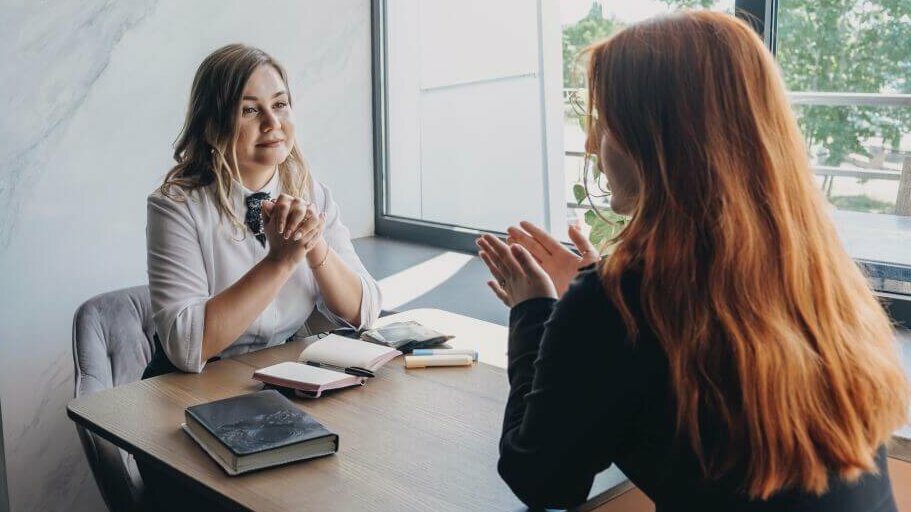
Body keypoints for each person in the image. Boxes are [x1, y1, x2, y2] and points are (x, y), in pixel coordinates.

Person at [478, 11, 908, 511]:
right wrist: (590, 300)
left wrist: (535, 312)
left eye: (606, 125)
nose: (594, 145)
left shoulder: (620, 304)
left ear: (657, 142)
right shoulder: (815, 273)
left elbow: (541, 479)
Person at [144, 43, 381, 377]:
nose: (273, 123)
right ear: (211, 127)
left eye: (280, 104)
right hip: (190, 389)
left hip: (278, 378)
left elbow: (366, 311)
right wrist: (280, 261)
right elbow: (186, 346)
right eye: (250, 111)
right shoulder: (175, 207)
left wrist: (313, 244)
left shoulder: (311, 193)